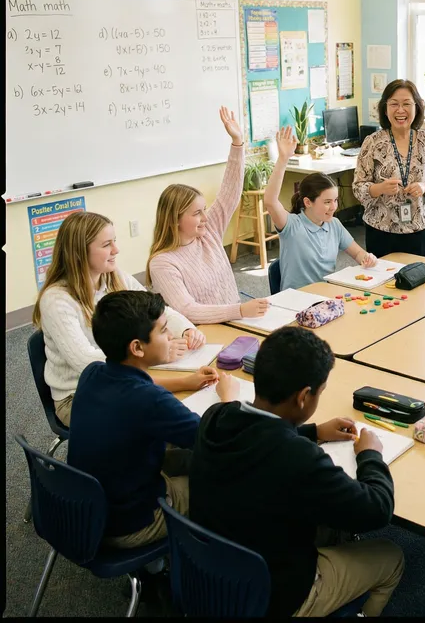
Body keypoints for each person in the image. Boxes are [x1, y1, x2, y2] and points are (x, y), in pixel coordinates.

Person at [189, 326, 405, 617]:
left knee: (325, 521)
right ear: (304, 397)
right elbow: (377, 510)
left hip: (207, 573)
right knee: (391, 556)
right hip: (275, 596)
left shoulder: (216, 417)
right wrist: (370, 455)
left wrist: (313, 431)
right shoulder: (298, 458)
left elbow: (258, 436)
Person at [67, 290, 236, 548]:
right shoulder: (150, 401)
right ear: (137, 347)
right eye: (164, 330)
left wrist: (183, 381)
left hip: (89, 507)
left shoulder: (93, 372)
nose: (171, 337)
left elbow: (135, 390)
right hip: (130, 523)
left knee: (185, 457)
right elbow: (218, 439)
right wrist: (229, 399)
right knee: (230, 479)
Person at [33, 211, 213, 427]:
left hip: (127, 375)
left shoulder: (114, 276)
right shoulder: (56, 300)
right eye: (107, 244)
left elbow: (156, 310)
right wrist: (154, 352)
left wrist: (185, 330)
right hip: (78, 395)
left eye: (114, 242)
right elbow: (89, 365)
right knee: (159, 415)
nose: (116, 250)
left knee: (170, 411)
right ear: (80, 252)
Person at [147, 106, 270, 323]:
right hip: (205, 335)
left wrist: (237, 143)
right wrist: (239, 311)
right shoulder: (163, 263)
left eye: (204, 210)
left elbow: (229, 193)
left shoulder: (206, 232)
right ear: (174, 219)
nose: (205, 217)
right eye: (196, 213)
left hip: (236, 323)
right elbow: (188, 311)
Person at [263, 126, 378, 291]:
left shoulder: (334, 225)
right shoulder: (292, 225)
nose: (333, 207)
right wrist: (283, 159)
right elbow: (270, 200)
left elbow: (358, 253)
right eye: (327, 202)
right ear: (308, 202)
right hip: (297, 301)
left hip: (326, 297)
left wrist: (367, 258)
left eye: (336, 200)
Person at [353, 79, 425, 258]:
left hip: (419, 227)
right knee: (380, 282)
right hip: (381, 228)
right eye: (394, 104)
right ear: (385, 108)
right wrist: (379, 188)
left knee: (419, 279)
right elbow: (358, 187)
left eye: (406, 104)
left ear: (417, 107)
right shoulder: (372, 142)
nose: (400, 110)